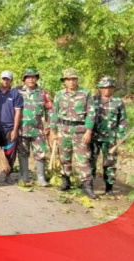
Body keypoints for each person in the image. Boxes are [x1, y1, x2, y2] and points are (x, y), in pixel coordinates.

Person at [49, 68, 97, 199]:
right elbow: (53, 113)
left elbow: (91, 113)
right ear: (64, 81)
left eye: (74, 79)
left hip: (80, 131)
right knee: (64, 158)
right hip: (63, 130)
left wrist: (88, 131)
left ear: (77, 80)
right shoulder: (59, 95)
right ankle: (66, 180)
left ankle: (87, 185)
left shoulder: (85, 94)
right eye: (68, 79)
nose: (71, 82)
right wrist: (52, 131)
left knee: (83, 159)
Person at [90, 76, 128, 195]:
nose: (107, 90)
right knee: (91, 161)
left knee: (110, 163)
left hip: (111, 138)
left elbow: (123, 120)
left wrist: (120, 135)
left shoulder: (118, 102)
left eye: (109, 87)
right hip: (94, 137)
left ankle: (109, 188)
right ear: (100, 88)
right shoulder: (92, 101)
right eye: (104, 87)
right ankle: (89, 185)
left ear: (113, 89)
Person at [16, 69, 52, 186]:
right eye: (28, 77)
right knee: (22, 153)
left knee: (40, 153)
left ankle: (41, 177)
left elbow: (50, 111)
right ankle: (24, 176)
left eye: (33, 77)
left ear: (36, 79)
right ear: (24, 80)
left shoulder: (43, 93)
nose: (31, 79)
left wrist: (49, 126)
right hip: (22, 129)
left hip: (38, 130)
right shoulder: (17, 92)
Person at [0, 71, 22, 183]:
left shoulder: (15, 94)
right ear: (0, 79)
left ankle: (8, 174)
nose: (5, 81)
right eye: (3, 79)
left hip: (10, 128)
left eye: (8, 79)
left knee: (9, 153)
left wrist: (15, 129)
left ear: (11, 81)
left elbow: (18, 113)